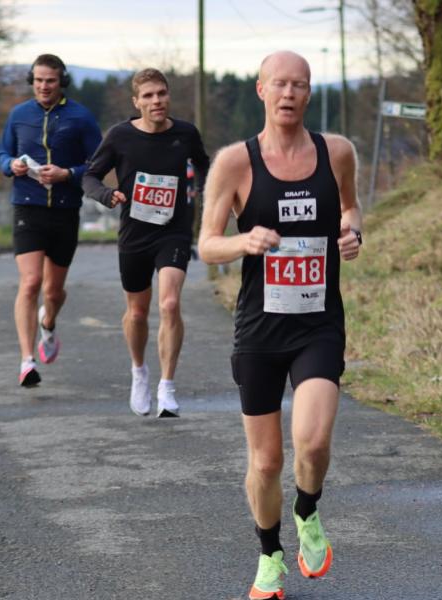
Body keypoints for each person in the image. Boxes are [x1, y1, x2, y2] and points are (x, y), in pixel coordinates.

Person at [198, 50, 362, 600]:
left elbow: (352, 210)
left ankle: (307, 511)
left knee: (311, 444)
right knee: (266, 461)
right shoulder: (234, 163)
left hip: (317, 323)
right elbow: (206, 246)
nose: (290, 93)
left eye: (300, 85)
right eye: (280, 84)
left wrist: (351, 233)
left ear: (309, 93)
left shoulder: (336, 153)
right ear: (261, 89)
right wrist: (245, 240)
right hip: (260, 330)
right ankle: (269, 554)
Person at [82, 68, 209, 417]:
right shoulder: (120, 136)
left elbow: (203, 164)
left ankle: (167, 387)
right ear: (136, 102)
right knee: (137, 312)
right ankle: (139, 371)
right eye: (149, 96)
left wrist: (201, 191)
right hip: (135, 233)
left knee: (169, 303)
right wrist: (107, 195)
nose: (157, 101)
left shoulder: (185, 133)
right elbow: (89, 176)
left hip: (174, 230)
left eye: (162, 94)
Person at [0, 54, 102, 387]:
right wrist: (10, 164)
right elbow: (2, 154)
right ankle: (27, 361)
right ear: (32, 80)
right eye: (39, 80)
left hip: (64, 210)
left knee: (53, 291)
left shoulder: (81, 117)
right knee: (30, 284)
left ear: (62, 82)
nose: (44, 86)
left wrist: (67, 173)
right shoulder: (18, 115)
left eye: (51, 81)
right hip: (27, 207)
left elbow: (98, 164)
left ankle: (49, 323)